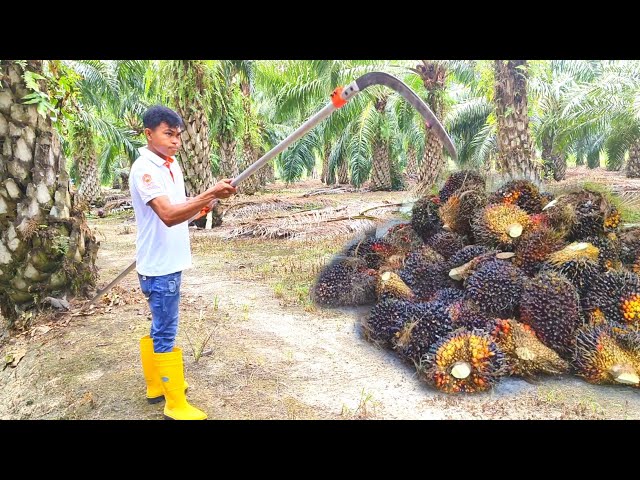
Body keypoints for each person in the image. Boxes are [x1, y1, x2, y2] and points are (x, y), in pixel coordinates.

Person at [129, 105, 237, 420]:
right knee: (165, 331)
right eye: (168, 134)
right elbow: (168, 215)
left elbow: (184, 210)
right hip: (159, 267)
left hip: (169, 263)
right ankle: (174, 402)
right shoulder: (145, 169)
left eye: (178, 135)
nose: (176, 141)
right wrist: (208, 194)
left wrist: (208, 201)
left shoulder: (169, 166)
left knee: (160, 325)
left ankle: (156, 385)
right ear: (148, 134)